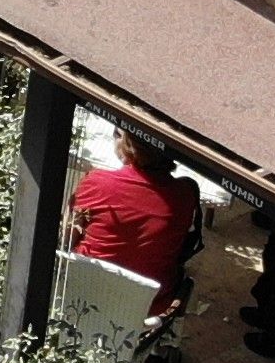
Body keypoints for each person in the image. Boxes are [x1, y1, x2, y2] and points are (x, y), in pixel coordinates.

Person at [70, 130, 200, 311]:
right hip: (148, 311)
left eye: (117, 133)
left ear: (127, 143)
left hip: (81, 300)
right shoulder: (186, 194)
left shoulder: (97, 182)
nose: (114, 138)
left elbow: (67, 239)